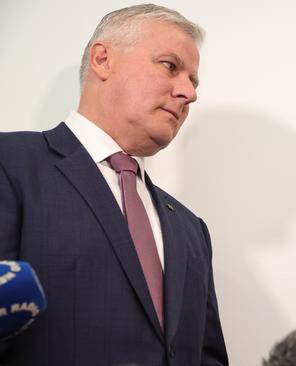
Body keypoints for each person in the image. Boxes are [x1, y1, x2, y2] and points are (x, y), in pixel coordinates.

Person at [0, 4, 228, 365]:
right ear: (103, 59)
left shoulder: (191, 229)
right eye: (170, 66)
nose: (189, 93)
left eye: (193, 81)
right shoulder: (9, 164)